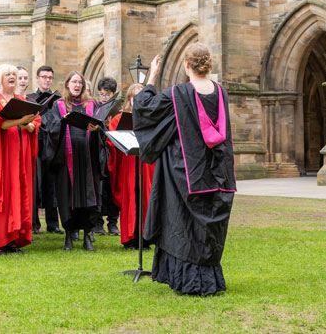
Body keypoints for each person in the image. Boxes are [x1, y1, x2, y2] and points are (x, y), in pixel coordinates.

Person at [133, 43, 236, 296]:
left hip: (186, 169)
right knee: (206, 226)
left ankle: (187, 279)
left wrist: (152, 77)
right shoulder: (220, 93)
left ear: (187, 65)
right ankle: (209, 279)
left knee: (183, 223)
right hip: (217, 170)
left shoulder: (178, 93)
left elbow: (144, 106)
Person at [0, 64, 40, 254]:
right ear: (0, 78)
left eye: (14, 74)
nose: (12, 77)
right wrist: (22, 122)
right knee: (1, 196)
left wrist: (31, 126)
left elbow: (35, 121)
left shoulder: (22, 100)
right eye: (8, 74)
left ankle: (13, 239)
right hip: (1, 155)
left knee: (19, 194)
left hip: (19, 155)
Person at [42, 71, 103, 251]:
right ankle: (69, 235)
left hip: (87, 159)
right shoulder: (59, 105)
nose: (77, 85)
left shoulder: (92, 105)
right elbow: (50, 129)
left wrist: (96, 129)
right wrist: (61, 122)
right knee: (67, 197)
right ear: (67, 84)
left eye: (80, 83)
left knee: (88, 196)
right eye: (74, 82)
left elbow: (102, 129)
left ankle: (86, 237)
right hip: (65, 158)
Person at [105, 83, 153, 250]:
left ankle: (144, 239)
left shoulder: (150, 119)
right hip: (128, 165)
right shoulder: (119, 119)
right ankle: (129, 239)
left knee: (144, 199)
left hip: (145, 165)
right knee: (130, 200)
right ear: (129, 100)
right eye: (134, 98)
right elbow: (111, 142)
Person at [27, 65, 61, 234]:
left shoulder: (58, 100)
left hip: (52, 143)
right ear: (38, 78)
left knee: (51, 183)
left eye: (50, 77)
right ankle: (33, 224)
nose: (47, 80)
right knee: (34, 182)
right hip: (35, 142)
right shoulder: (30, 98)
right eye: (44, 77)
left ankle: (53, 223)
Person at [94, 76, 120, 237]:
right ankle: (98, 223)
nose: (104, 98)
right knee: (99, 188)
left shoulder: (118, 110)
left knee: (113, 188)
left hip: (114, 153)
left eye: (107, 94)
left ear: (113, 94)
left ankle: (112, 222)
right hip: (98, 153)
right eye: (101, 94)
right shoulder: (95, 109)